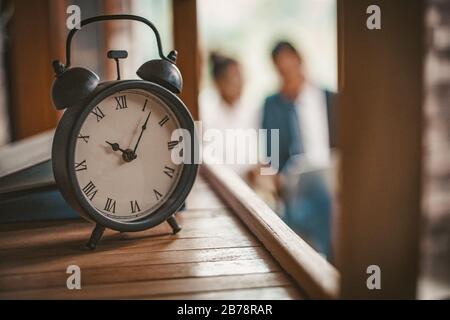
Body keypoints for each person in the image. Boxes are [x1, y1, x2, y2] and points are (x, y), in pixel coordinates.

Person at [261, 41, 337, 258]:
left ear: (300, 62)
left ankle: (320, 259)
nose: (288, 76)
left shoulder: (330, 98)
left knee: (323, 189)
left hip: (330, 174)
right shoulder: (272, 104)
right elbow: (271, 155)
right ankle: (320, 261)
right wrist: (271, 178)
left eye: (290, 68)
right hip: (292, 180)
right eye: (281, 71)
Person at [200, 53, 260, 178]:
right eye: (233, 77)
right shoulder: (205, 109)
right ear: (218, 82)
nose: (239, 83)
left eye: (241, 77)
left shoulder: (251, 108)